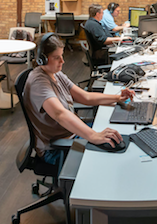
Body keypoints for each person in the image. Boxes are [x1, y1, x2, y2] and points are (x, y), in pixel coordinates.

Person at [24, 34, 134, 165]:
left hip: (72, 134)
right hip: (57, 147)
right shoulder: (38, 83)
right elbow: (60, 114)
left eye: (62, 55)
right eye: (56, 57)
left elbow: (85, 97)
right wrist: (93, 136)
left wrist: (117, 98)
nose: (62, 61)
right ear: (42, 59)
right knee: (111, 159)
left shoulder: (56, 74)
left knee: (119, 136)